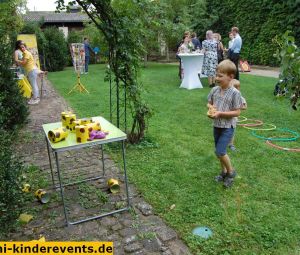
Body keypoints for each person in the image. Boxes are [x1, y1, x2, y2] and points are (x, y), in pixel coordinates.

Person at [207, 59, 242, 188]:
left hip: (228, 127)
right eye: (216, 75)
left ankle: (231, 173)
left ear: (230, 77)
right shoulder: (215, 90)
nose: (216, 78)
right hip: (217, 125)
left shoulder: (235, 93)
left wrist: (220, 113)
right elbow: (209, 102)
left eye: (220, 76)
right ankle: (223, 172)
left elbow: (237, 112)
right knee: (218, 151)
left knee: (220, 151)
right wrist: (211, 109)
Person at [228, 79, 247, 151]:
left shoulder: (240, 97)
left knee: (232, 131)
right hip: (225, 116)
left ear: (237, 89)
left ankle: (231, 144)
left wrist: (237, 107)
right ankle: (223, 141)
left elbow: (245, 107)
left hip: (233, 118)